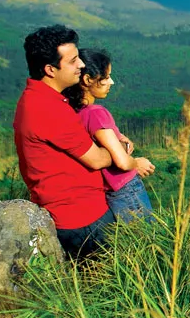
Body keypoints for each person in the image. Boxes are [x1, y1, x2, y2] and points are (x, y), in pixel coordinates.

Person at [13, 25, 116, 259]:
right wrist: (119, 148)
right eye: (73, 60)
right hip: (84, 219)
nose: (81, 64)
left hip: (71, 214)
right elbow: (98, 160)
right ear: (50, 69)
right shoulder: (47, 108)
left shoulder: (38, 98)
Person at [63, 48, 156, 221]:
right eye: (105, 77)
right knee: (148, 239)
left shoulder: (73, 113)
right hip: (127, 189)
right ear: (87, 80)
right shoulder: (95, 113)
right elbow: (121, 161)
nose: (111, 82)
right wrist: (136, 163)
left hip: (109, 192)